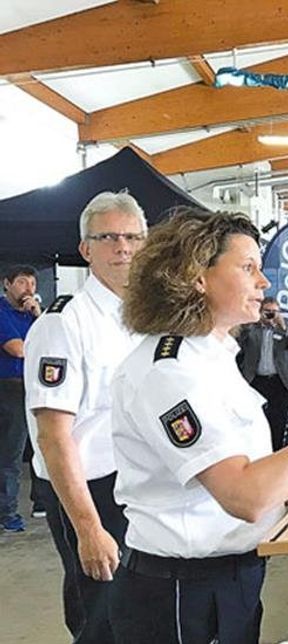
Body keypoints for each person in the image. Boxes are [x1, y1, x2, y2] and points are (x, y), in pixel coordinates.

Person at [108, 208, 288, 644]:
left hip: (229, 575)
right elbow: (245, 496)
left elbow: (244, 463)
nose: (263, 282)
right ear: (197, 277)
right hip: (182, 593)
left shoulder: (213, 355)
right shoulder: (169, 372)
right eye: (248, 268)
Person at [23, 191, 147, 643]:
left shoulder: (143, 319)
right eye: (108, 237)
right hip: (88, 489)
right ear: (85, 249)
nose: (123, 248)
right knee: (102, 616)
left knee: (136, 612)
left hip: (137, 482)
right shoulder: (63, 323)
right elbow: (53, 437)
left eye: (132, 237)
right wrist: (89, 527)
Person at [0, 264, 42, 533]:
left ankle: (42, 502)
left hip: (32, 387)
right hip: (8, 388)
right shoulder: (2, 312)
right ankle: (7, 513)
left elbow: (56, 343)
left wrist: (39, 315)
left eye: (33, 284)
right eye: (22, 282)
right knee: (11, 453)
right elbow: (17, 349)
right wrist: (40, 345)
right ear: (7, 284)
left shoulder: (33, 316)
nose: (29, 289)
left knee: (41, 446)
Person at [235, 297, 288, 451]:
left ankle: (276, 453)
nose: (270, 314)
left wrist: (282, 326)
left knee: (278, 421)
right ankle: (256, 452)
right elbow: (238, 342)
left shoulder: (284, 326)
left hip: (279, 381)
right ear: (260, 311)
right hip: (256, 381)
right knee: (253, 420)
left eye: (274, 311)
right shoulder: (251, 327)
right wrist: (253, 323)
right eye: (267, 311)